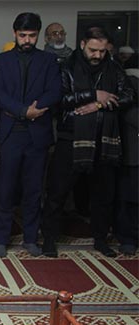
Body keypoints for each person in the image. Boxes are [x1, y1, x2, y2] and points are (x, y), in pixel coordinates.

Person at [42, 27, 134, 258]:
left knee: (103, 194)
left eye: (102, 51)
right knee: (57, 192)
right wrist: (93, 95)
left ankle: (101, 239)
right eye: (93, 50)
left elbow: (128, 96)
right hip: (71, 137)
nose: (98, 56)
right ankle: (49, 239)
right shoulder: (66, 67)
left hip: (104, 138)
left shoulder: (114, 68)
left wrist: (100, 104)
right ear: (83, 44)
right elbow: (59, 100)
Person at [0, 12, 62, 258]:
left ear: (38, 35)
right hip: (10, 133)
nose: (27, 40)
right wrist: (24, 111)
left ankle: (31, 238)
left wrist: (35, 110)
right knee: (5, 189)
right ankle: (0, 239)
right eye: (23, 35)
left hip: (38, 135)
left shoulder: (50, 61)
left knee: (34, 190)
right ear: (14, 33)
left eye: (32, 36)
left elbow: (55, 91)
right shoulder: (0, 61)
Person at [115, 70, 138, 255]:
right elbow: (128, 110)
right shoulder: (132, 79)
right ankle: (127, 237)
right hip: (133, 152)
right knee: (129, 197)